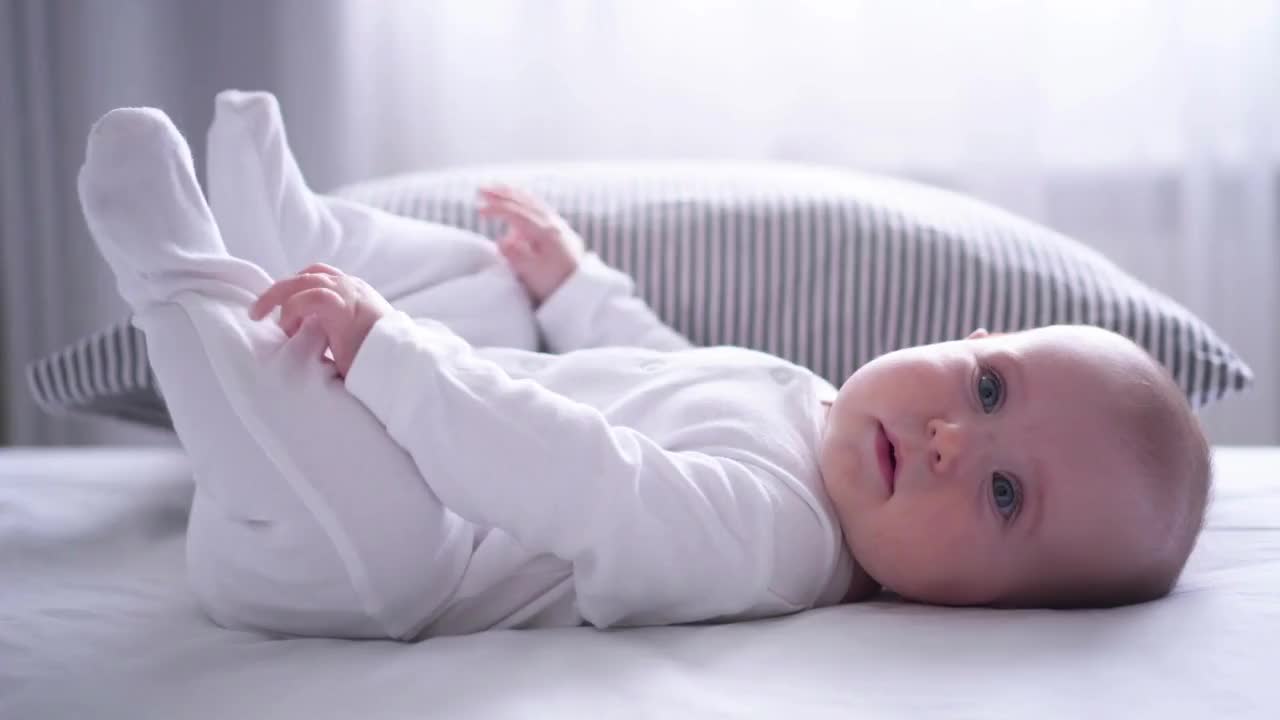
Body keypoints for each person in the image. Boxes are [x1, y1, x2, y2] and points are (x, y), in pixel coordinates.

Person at [77, 94, 1210, 642]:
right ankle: (298, 240)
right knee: (492, 287)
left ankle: (179, 278)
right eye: (988, 386)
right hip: (440, 433)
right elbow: (657, 368)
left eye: (1004, 495)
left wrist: (389, 356)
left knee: (369, 521)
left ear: (988, 610)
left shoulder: (777, 543)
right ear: (963, 338)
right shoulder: (806, 408)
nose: (956, 441)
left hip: (377, 575)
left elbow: (592, 478)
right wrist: (569, 285)